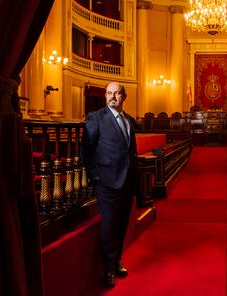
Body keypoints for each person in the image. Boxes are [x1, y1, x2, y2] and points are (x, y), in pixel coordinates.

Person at [81, 82, 138, 288]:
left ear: (124, 96)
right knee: (108, 226)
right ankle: (107, 270)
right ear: (105, 96)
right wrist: (94, 175)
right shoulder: (96, 118)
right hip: (106, 181)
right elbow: (86, 149)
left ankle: (116, 262)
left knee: (122, 224)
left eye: (117, 93)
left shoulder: (129, 120)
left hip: (127, 181)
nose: (112, 96)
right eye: (109, 93)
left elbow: (131, 152)